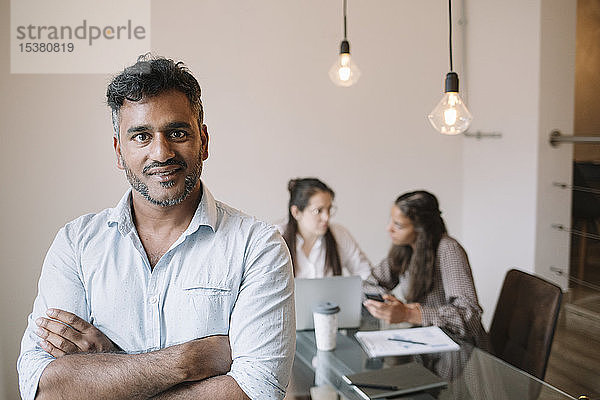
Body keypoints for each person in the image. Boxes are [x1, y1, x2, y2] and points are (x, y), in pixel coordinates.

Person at [17, 55, 295, 400]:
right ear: (119, 151)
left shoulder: (258, 247)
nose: (161, 152)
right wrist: (189, 361)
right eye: (141, 136)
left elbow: (258, 391)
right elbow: (43, 387)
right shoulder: (76, 244)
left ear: (203, 141)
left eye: (177, 132)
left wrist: (105, 372)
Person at [363, 190, 487, 346]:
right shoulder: (404, 249)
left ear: (420, 229)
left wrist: (409, 314)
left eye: (398, 225)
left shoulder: (448, 249)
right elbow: (369, 284)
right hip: (425, 342)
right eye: (391, 221)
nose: (389, 228)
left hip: (460, 351)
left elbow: (469, 316)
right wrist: (390, 303)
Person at [278, 178, 371, 279]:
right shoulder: (277, 238)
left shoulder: (339, 234)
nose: (327, 217)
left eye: (329, 209)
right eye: (318, 211)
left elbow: (365, 273)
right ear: (296, 212)